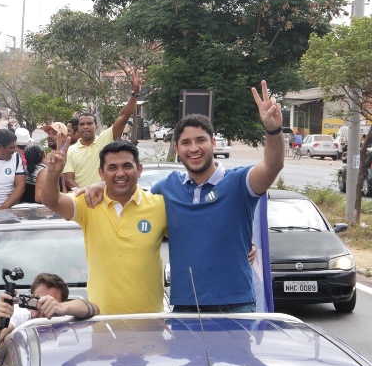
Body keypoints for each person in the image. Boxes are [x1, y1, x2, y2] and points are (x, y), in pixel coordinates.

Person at [85, 80, 283, 313]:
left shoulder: (240, 182)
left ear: (213, 143)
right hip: (186, 307)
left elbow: (272, 165)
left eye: (200, 140)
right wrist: (101, 184)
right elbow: (132, 198)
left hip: (235, 305)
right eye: (186, 143)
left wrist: (273, 130)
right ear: (177, 149)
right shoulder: (167, 188)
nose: (194, 148)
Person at [42, 139, 168, 315]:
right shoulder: (89, 203)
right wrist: (53, 174)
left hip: (151, 321)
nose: (120, 173)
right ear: (101, 173)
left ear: (139, 170)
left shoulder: (160, 206)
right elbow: (52, 201)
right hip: (101, 322)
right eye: (112, 168)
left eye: (127, 166)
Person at [0, 273, 99, 354]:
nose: (42, 309)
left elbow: (94, 309)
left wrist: (62, 308)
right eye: (37, 302)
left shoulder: (67, 312)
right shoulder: (20, 313)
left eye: (49, 303)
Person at [63, 75, 141, 189]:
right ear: (78, 128)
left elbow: (123, 117)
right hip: (81, 201)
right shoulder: (70, 151)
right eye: (82, 124)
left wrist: (135, 94)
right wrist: (86, 194)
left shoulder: (105, 140)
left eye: (89, 124)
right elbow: (68, 179)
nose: (85, 127)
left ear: (96, 126)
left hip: (105, 201)